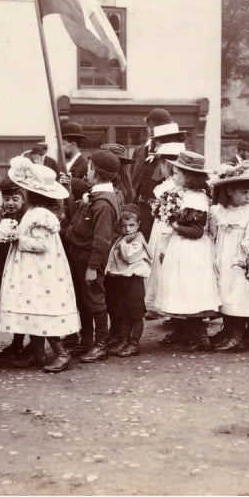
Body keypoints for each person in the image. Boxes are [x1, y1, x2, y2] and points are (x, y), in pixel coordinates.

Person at [0, 156, 79, 373]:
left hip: (41, 269)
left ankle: (61, 353)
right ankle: (37, 352)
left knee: (40, 306)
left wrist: (16, 238)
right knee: (31, 306)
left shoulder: (40, 214)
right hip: (31, 268)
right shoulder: (33, 212)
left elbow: (41, 244)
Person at [155, 151, 220, 351]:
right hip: (182, 248)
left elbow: (196, 231)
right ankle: (184, 330)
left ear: (189, 176)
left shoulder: (196, 200)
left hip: (192, 251)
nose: (173, 177)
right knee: (181, 288)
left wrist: (173, 223)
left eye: (177, 173)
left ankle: (199, 336)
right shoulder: (187, 195)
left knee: (191, 290)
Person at [63, 149, 122, 362]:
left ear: (94, 170)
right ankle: (86, 341)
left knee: (95, 300)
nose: (86, 171)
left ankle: (100, 345)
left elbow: (102, 239)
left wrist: (93, 267)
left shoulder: (104, 203)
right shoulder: (97, 196)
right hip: (80, 254)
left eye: (88, 167)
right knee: (83, 299)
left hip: (89, 257)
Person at [207, 162, 249, 353]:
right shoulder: (219, 211)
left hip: (241, 260)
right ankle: (229, 330)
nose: (248, 197)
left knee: (239, 295)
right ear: (229, 191)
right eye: (243, 193)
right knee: (225, 292)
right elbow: (214, 234)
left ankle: (239, 335)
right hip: (223, 257)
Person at [104, 205, 152, 357]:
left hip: (134, 281)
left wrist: (124, 242)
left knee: (135, 314)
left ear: (138, 225)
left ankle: (134, 343)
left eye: (131, 225)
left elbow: (129, 256)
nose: (127, 229)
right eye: (123, 226)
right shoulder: (122, 238)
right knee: (124, 312)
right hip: (122, 280)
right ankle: (123, 340)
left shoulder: (137, 241)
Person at [131, 109, 187, 239]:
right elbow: (133, 178)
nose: (152, 130)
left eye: (157, 127)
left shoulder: (172, 151)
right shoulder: (140, 150)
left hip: (160, 210)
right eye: (150, 127)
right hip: (140, 207)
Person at [0, 176, 29, 361]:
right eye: (7, 199)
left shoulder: (25, 218)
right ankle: (16, 342)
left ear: (24, 199)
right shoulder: (1, 216)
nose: (10, 203)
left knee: (21, 301)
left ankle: (26, 343)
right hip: (2, 262)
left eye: (15, 199)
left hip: (19, 264)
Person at [143, 141, 184, 316]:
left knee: (166, 266)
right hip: (160, 227)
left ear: (167, 164)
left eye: (161, 163)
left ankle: (171, 312)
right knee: (158, 266)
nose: (160, 167)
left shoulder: (173, 187)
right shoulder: (167, 183)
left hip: (169, 229)